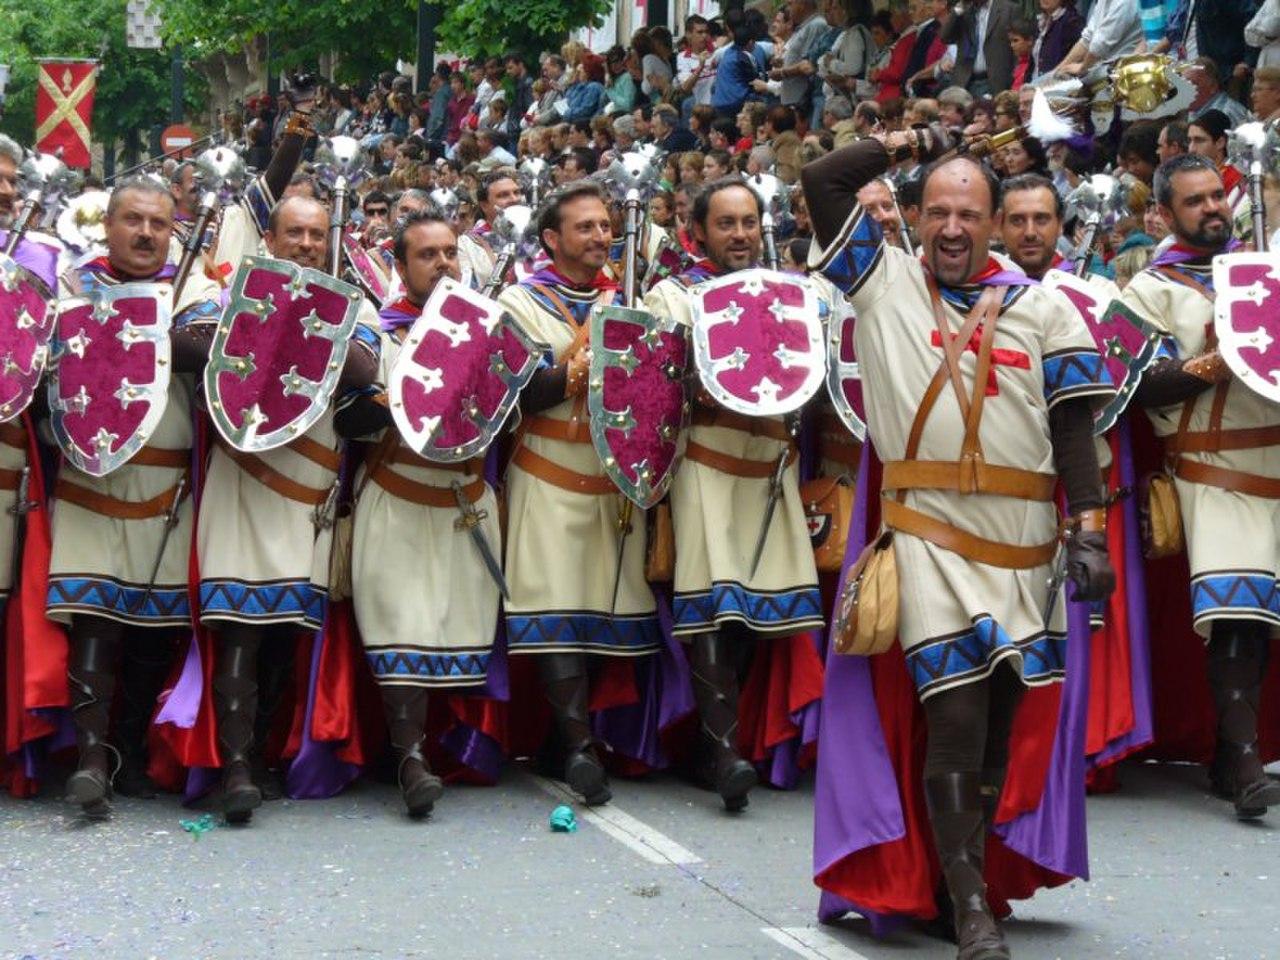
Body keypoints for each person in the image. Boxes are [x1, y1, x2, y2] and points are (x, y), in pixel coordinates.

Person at [803, 128, 1115, 958]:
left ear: (996, 222)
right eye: (935, 210)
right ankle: (973, 906)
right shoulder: (881, 280)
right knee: (956, 712)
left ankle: (954, 881)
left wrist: (1090, 530)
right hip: (929, 542)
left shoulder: (1047, 308)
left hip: (1023, 553)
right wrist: (917, 138)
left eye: (968, 213)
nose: (950, 227)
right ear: (913, 213)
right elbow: (823, 179)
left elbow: (1074, 429)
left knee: (999, 729)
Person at [194, 195, 381, 825]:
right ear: (269, 239)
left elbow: (361, 370)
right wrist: (265, 313)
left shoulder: (355, 307)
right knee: (240, 625)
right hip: (243, 483)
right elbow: (190, 345)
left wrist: (306, 312)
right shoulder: (233, 293)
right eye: (293, 233)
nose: (305, 244)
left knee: (282, 635)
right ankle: (237, 766)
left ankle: (264, 756)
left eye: (316, 235)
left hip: (307, 495)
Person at [644, 178, 824, 811]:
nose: (742, 234)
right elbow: (656, 383)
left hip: (771, 465)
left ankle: (714, 743)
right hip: (706, 465)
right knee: (713, 610)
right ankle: (725, 753)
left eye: (749, 222)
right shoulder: (673, 294)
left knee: (759, 612)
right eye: (727, 224)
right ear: (699, 232)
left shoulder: (790, 293)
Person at [51, 178, 223, 818]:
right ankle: (92, 760)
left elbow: (215, 352)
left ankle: (125, 748)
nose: (146, 233)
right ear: (109, 226)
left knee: (154, 630)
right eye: (133, 221)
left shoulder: (198, 290)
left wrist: (138, 324)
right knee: (93, 620)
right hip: (91, 477)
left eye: (158, 223)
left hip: (166, 487)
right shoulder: (73, 287)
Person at [1122, 153, 1280, 820]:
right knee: (1238, 615)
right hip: (1215, 473)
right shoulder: (1143, 291)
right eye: (1194, 201)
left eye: (1218, 196)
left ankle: (1229, 748)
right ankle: (1242, 762)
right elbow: (1132, 384)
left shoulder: (1266, 271)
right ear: (1164, 213)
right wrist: (1218, 361)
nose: (1212, 209)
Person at [497, 182, 661, 806]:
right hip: (546, 471)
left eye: (605, 226)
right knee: (552, 610)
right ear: (551, 239)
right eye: (586, 227)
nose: (600, 237)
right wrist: (580, 368)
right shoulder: (519, 300)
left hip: (614, 478)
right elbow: (517, 388)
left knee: (603, 614)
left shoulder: (629, 298)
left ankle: (563, 741)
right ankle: (579, 747)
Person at [333, 210, 499, 818]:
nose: (444, 263)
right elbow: (346, 421)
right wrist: (403, 397)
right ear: (399, 268)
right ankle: (410, 761)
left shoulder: (488, 327)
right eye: (427, 254)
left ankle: (446, 747)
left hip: (466, 505)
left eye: (451, 251)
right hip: (396, 496)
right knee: (399, 631)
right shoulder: (379, 331)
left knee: (455, 635)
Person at [941, 0, 1019, 95]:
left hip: (994, 81)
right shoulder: (965, 10)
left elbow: (1018, 48)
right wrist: (958, 9)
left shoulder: (1009, 9)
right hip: (965, 81)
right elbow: (946, 37)